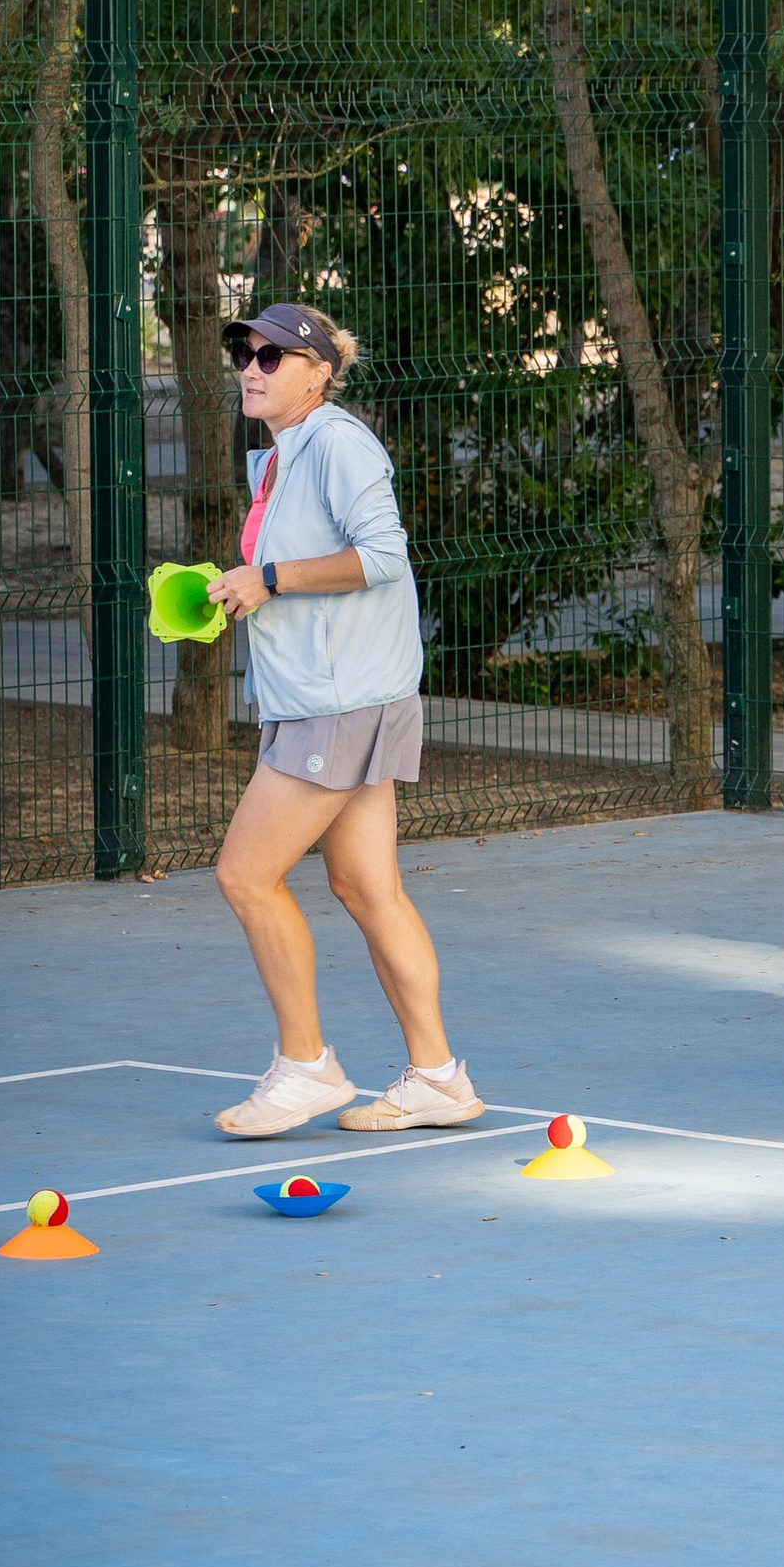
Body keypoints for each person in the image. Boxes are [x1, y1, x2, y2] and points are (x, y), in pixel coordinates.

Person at [206, 304, 485, 1139]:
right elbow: (297, 574)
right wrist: (239, 591)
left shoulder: (337, 442)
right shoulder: (280, 457)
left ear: (319, 373)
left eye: (271, 356)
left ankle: (306, 1069)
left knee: (244, 875)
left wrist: (270, 579)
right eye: (243, 352)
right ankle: (437, 1078)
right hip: (340, 695)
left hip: (337, 703)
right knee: (367, 887)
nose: (250, 367)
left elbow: (382, 556)